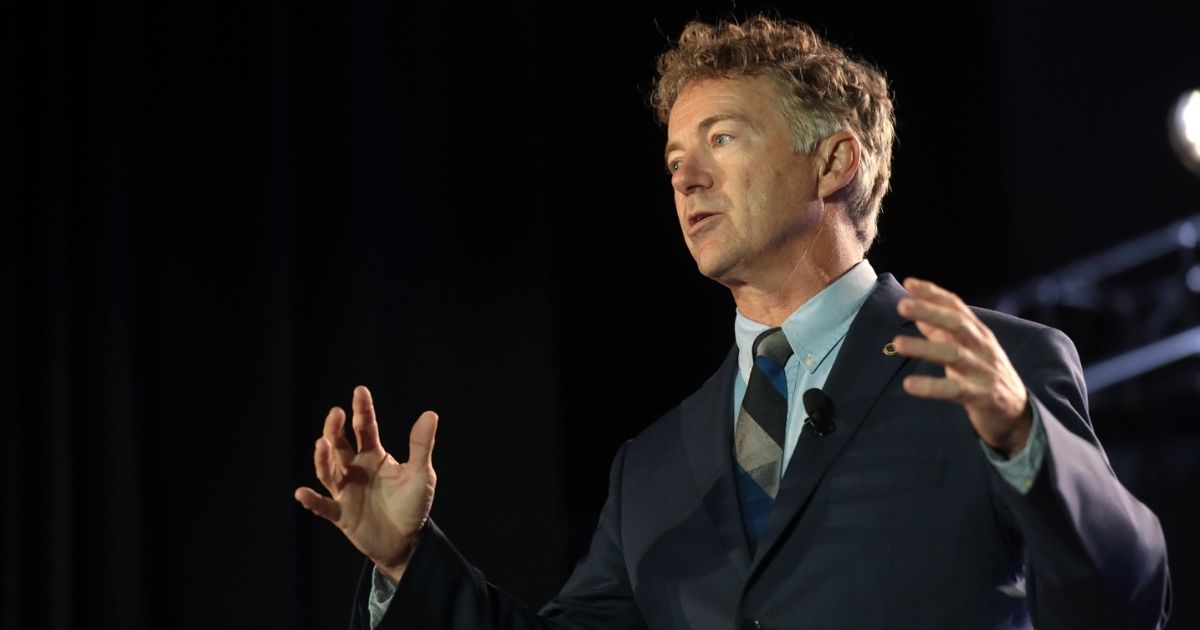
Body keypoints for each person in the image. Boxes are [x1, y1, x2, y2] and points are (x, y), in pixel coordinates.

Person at [295, 15, 1171, 629]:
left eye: (721, 139)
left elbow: (1124, 600)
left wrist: (1024, 441)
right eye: (675, 158)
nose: (684, 179)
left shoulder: (996, 370)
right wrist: (408, 566)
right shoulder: (653, 468)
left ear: (834, 163)